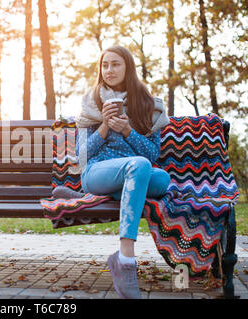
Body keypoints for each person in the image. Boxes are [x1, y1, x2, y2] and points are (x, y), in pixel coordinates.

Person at [75, 45, 171, 299]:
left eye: (115, 64)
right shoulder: (91, 103)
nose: (109, 70)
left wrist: (129, 131)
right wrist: (105, 126)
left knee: (161, 179)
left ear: (128, 67)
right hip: (96, 173)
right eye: (104, 65)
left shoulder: (146, 104)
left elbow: (152, 155)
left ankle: (128, 190)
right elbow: (81, 156)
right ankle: (126, 260)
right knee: (139, 166)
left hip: (134, 171)